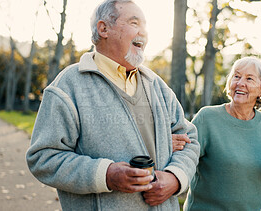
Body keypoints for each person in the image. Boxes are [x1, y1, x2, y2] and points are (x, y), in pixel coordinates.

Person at [26, 0, 200, 210]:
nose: (143, 33)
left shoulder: (156, 85)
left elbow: (189, 140)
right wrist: (105, 175)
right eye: (135, 23)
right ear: (104, 28)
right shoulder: (68, 86)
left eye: (145, 26)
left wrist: (175, 177)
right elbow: (43, 158)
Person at [183, 57, 261, 210]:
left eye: (249, 78)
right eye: (236, 76)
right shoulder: (207, 118)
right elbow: (183, 160)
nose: (240, 83)